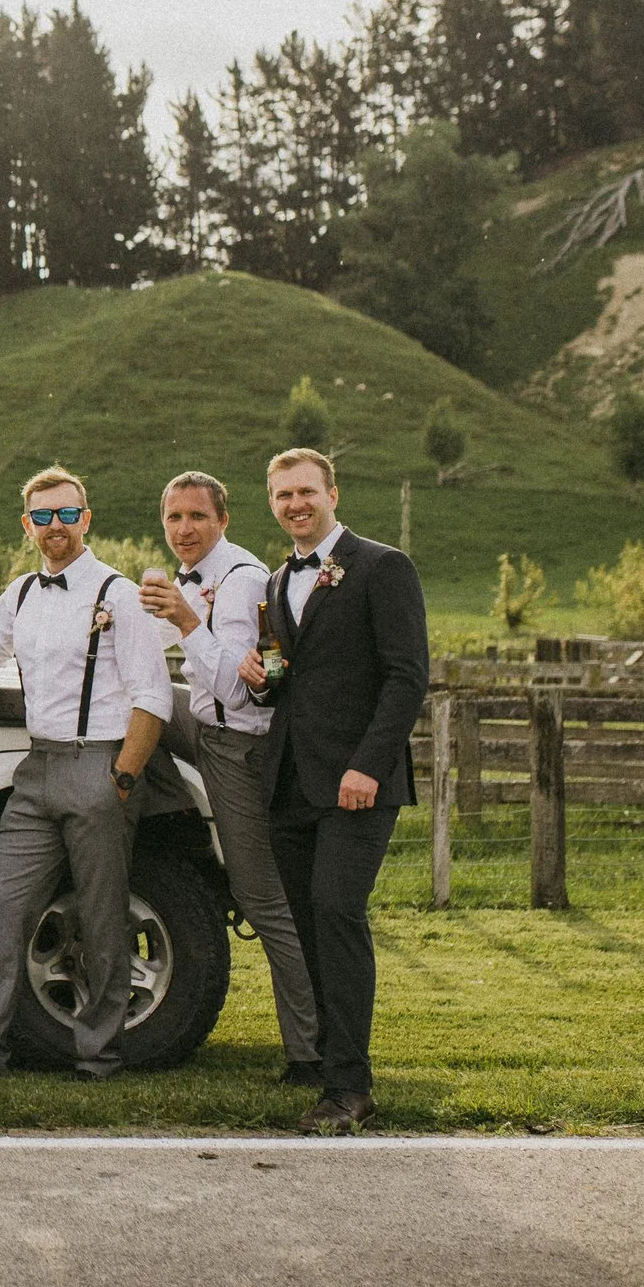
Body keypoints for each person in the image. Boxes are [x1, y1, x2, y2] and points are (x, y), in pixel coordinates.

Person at [0, 466, 171, 1079]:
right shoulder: (19, 594)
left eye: (67, 514)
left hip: (100, 763)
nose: (56, 526)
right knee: (0, 909)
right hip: (37, 769)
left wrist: (121, 780)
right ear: (28, 525)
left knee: (101, 917)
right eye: (43, 516)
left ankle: (98, 1055)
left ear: (86, 519)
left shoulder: (117, 595)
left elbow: (152, 697)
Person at [237, 448, 428, 1134]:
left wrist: (368, 766)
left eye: (306, 492)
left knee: (336, 911)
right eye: (284, 495)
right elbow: (298, 676)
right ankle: (328, 1068)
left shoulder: (383, 567)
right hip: (289, 781)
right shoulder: (274, 580)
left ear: (333, 494)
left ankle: (351, 1088)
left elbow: (407, 676)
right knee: (309, 923)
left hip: (356, 782)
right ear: (274, 504)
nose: (296, 504)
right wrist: (264, 678)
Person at [138, 470, 323, 1085]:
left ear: (223, 521)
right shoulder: (194, 580)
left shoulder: (242, 583)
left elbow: (240, 693)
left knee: (261, 897)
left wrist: (189, 622)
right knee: (139, 699)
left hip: (240, 747)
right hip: (206, 727)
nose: (184, 530)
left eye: (196, 517)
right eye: (174, 518)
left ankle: (309, 1050)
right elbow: (148, 643)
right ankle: (165, 813)